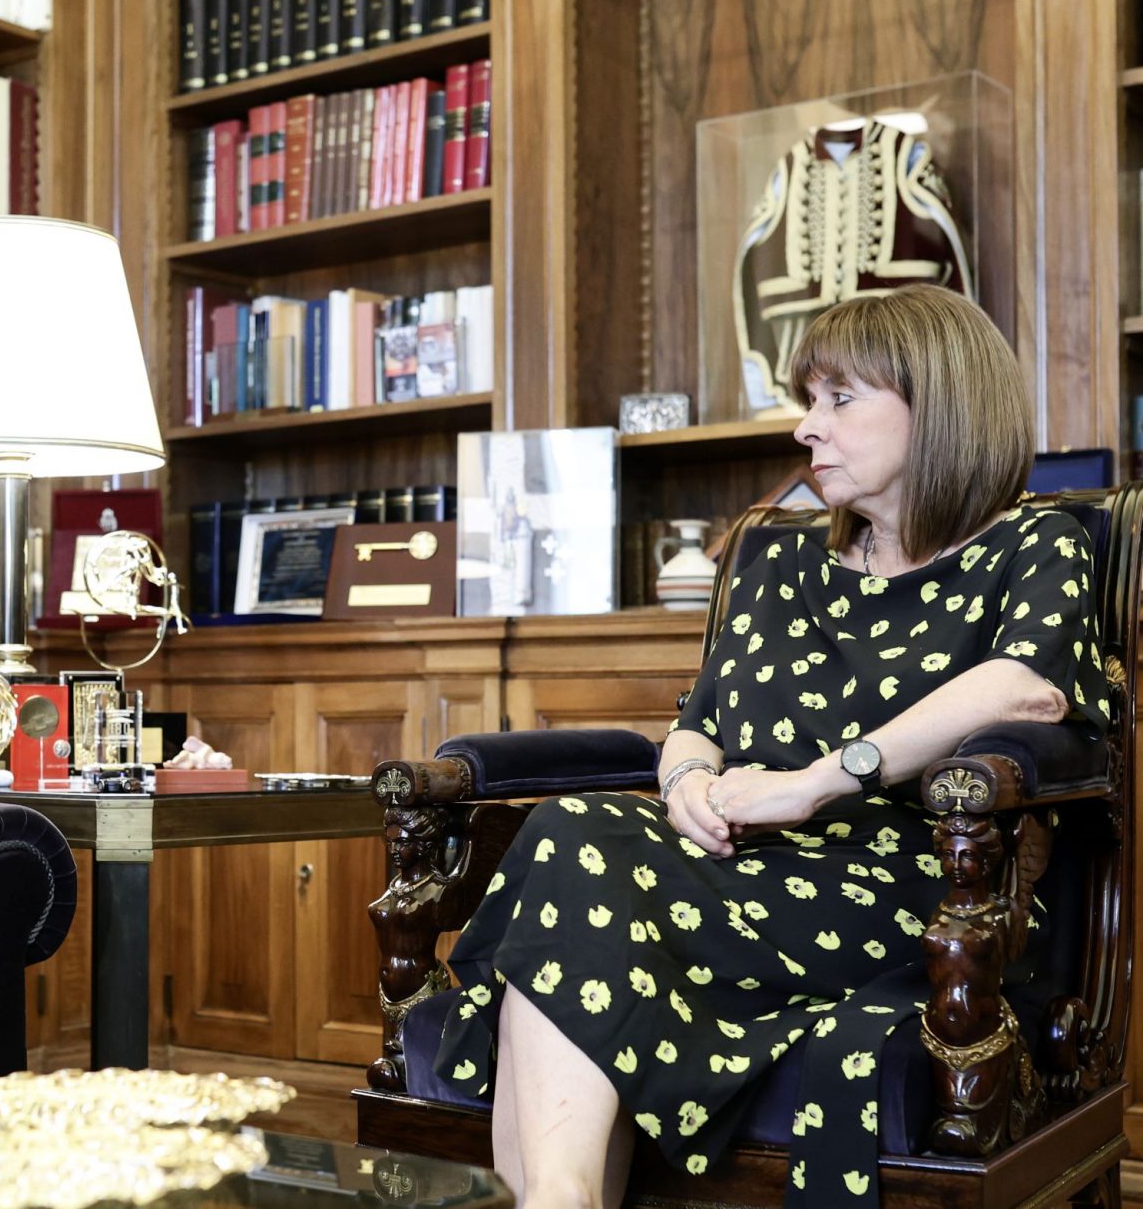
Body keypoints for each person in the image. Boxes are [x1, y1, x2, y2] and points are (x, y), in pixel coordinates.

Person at [430, 284, 1111, 1209]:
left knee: (570, 861)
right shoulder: (780, 564)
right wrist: (686, 781)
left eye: (840, 398)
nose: (806, 427)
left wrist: (817, 783)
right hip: (730, 867)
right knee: (569, 834)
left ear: (942, 404)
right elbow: (698, 720)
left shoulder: (1034, 544)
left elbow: (1027, 686)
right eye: (808, 399)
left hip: (910, 889)